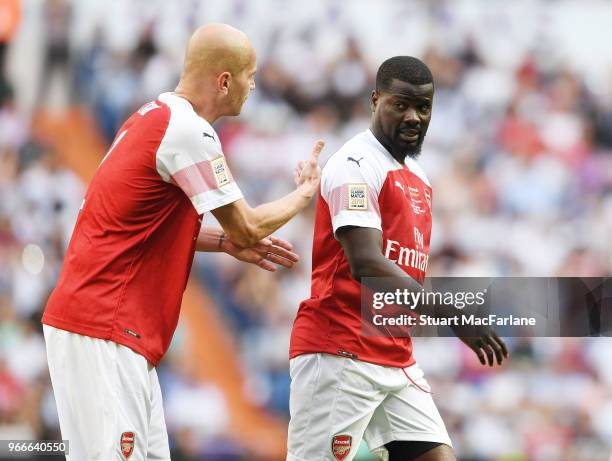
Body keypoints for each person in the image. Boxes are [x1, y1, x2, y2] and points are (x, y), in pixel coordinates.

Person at [41, 23, 323, 461]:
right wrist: (304, 194)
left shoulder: (152, 117)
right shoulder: (188, 131)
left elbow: (141, 229)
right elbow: (247, 226)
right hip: (104, 325)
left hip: (112, 328)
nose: (253, 86)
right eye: (250, 75)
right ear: (225, 80)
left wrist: (223, 244)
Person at [287, 56, 507, 461]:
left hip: (394, 357)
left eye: (423, 107)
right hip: (340, 350)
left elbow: (403, 271)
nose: (413, 117)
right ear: (375, 100)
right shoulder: (354, 165)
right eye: (400, 104)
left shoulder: (418, 178)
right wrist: (453, 315)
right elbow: (367, 264)